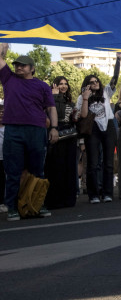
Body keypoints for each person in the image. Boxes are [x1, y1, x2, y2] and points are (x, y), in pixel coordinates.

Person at [0, 44, 58, 221]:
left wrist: (54, 128)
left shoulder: (42, 86)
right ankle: (11, 207)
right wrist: (3, 48)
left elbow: (51, 108)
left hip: (36, 130)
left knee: (37, 170)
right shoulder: (9, 78)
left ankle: (37, 204)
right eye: (17, 64)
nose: (19, 67)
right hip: (13, 130)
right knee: (13, 171)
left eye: (23, 65)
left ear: (32, 68)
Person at [76, 53, 121, 204]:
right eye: (91, 81)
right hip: (92, 129)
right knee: (93, 163)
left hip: (108, 127)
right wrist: (85, 97)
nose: (95, 83)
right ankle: (94, 194)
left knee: (108, 162)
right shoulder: (82, 97)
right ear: (87, 84)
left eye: (96, 81)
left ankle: (108, 193)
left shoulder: (106, 92)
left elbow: (115, 78)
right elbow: (82, 116)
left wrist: (118, 59)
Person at [44, 76, 80, 208]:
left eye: (65, 84)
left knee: (69, 167)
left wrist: (75, 115)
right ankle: (55, 199)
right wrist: (55, 96)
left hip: (70, 136)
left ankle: (68, 198)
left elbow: (70, 119)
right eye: (60, 84)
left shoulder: (69, 100)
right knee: (55, 166)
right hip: (56, 134)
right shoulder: (50, 98)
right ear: (54, 85)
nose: (63, 86)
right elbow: (55, 114)